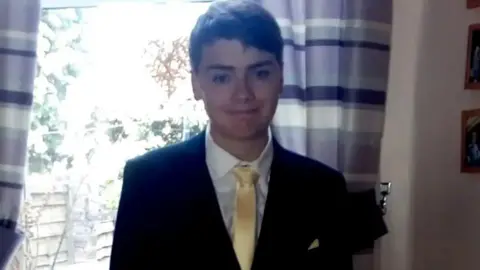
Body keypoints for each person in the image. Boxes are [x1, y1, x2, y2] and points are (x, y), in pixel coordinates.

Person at [110, 1, 354, 269]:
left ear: (281, 77)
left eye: (260, 74)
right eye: (222, 78)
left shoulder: (324, 189)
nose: (243, 94)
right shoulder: (148, 183)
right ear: (196, 84)